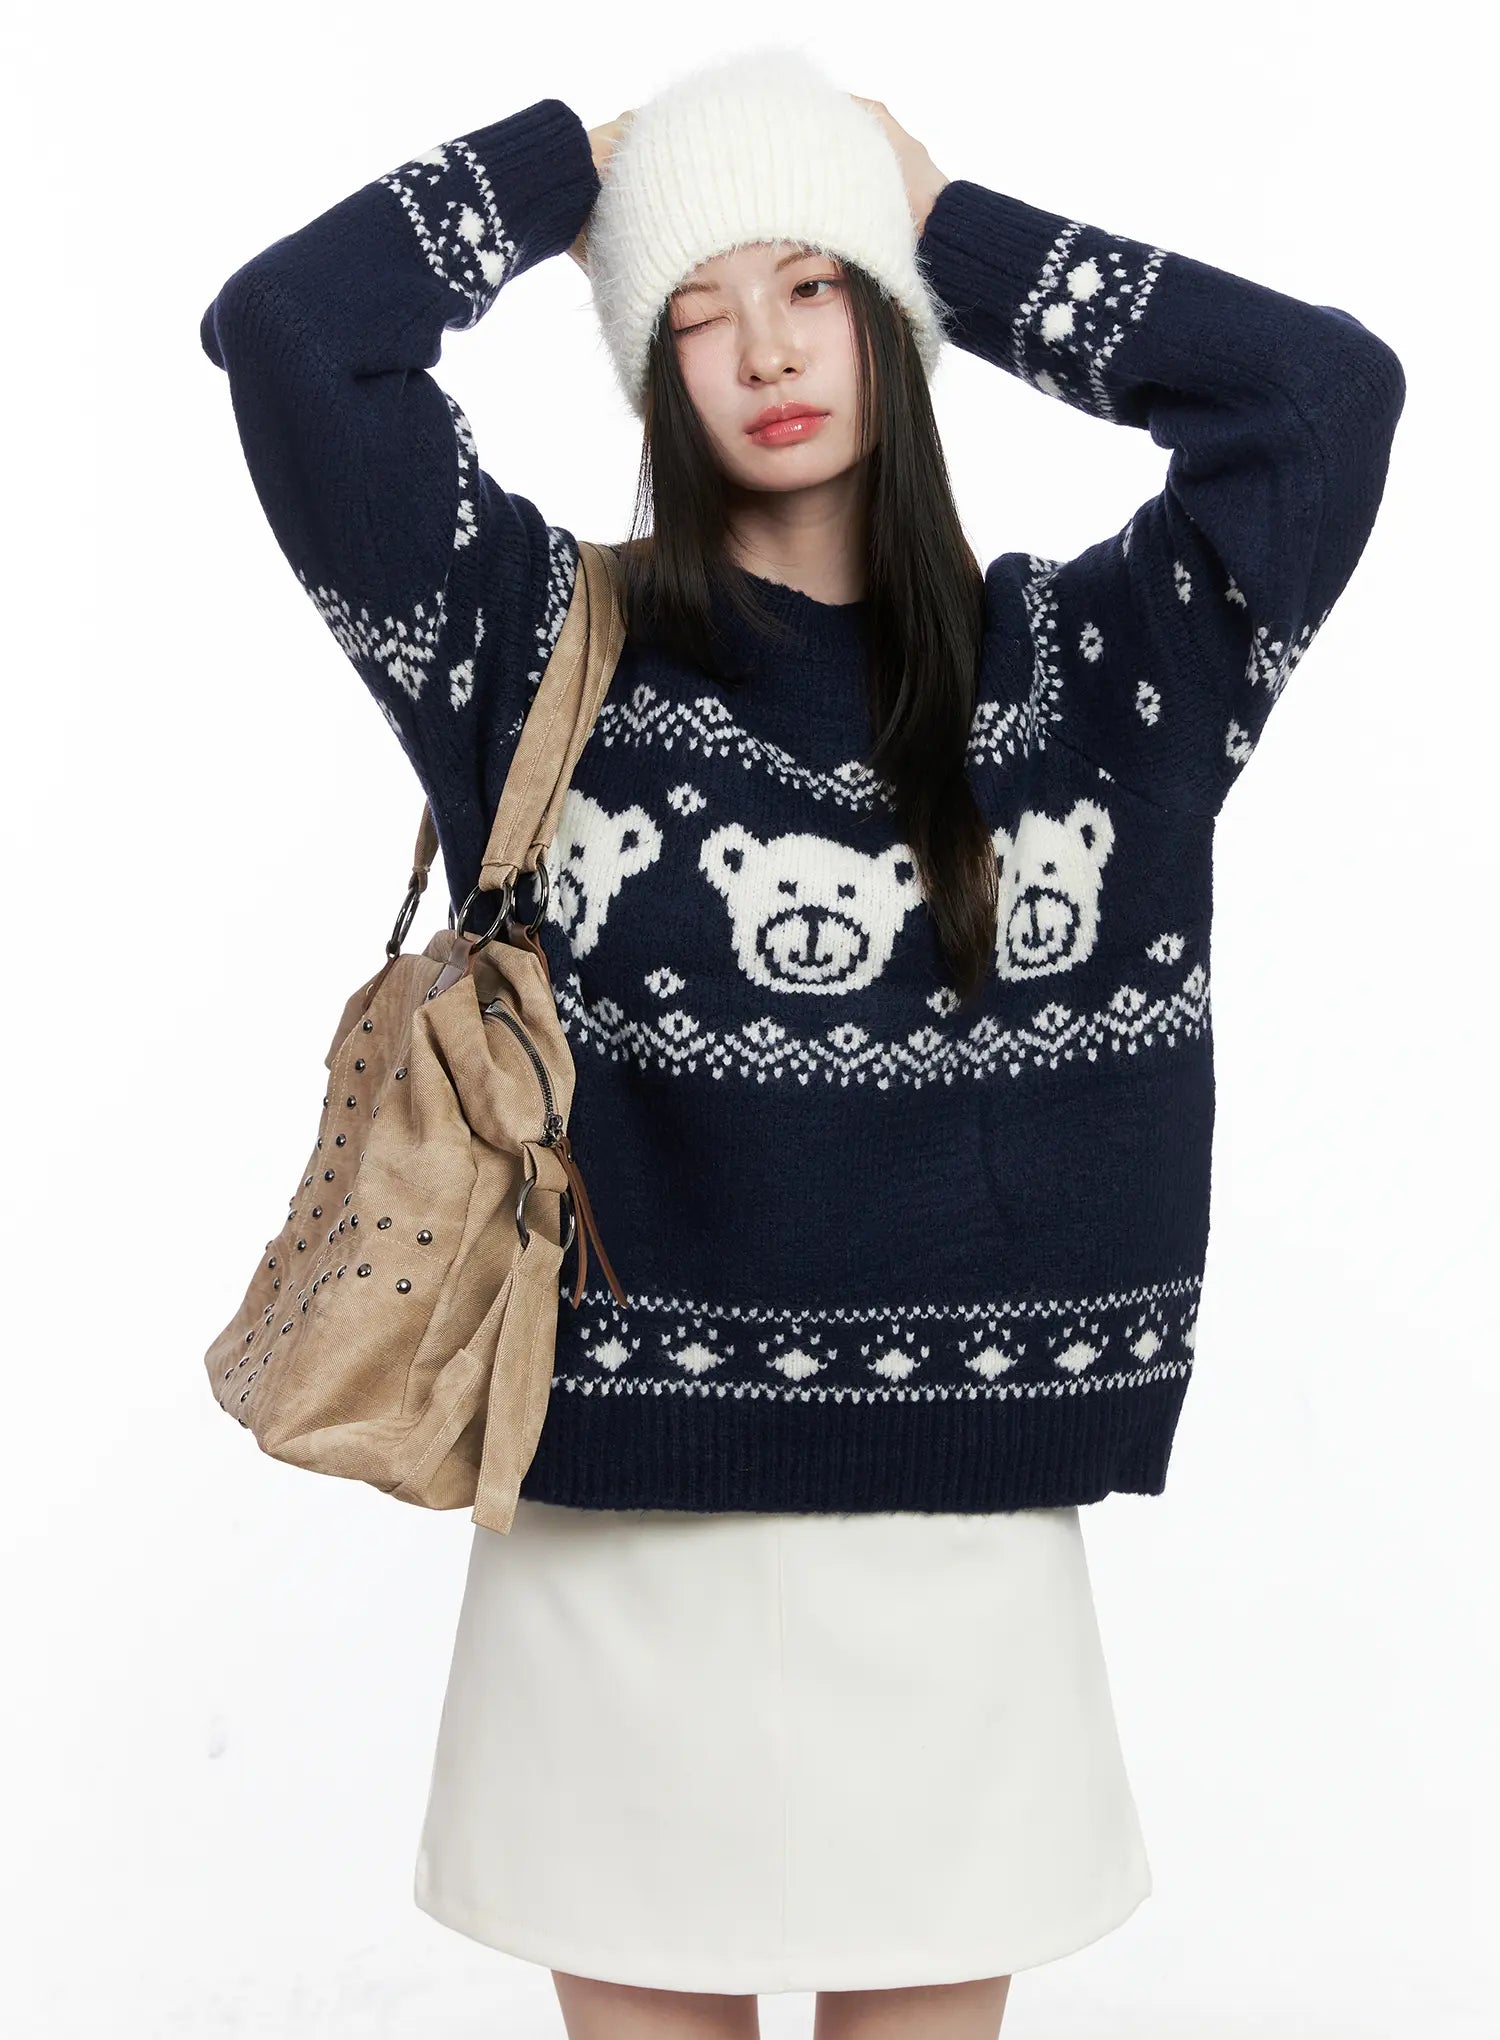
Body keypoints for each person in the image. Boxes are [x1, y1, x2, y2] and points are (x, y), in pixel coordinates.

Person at [198, 44, 1405, 2040]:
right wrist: (563, 172)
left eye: (814, 281)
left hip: (958, 1555)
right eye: (695, 308)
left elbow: (1320, 401)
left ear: (887, 313)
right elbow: (295, 341)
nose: (762, 344)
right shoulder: (536, 653)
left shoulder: (1101, 674)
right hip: (613, 1553)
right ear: (647, 370)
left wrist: (949, 230)